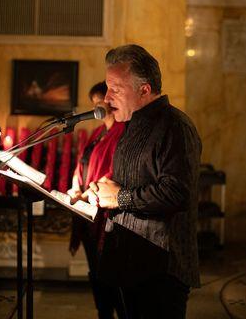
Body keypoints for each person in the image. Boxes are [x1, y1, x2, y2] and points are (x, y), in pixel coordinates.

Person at [89, 45, 202, 319]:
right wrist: (101, 190)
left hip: (161, 269)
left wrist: (120, 197)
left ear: (144, 89)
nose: (106, 97)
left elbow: (177, 193)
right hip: (128, 264)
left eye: (115, 88)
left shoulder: (175, 126)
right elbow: (130, 183)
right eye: (107, 87)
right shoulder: (130, 126)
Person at [68, 81, 125, 319]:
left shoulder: (123, 131)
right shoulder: (97, 132)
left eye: (99, 101)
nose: (96, 107)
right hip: (87, 213)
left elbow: (114, 171)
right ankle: (103, 312)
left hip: (106, 214)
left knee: (110, 275)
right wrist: (74, 186)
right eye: (93, 104)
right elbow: (83, 163)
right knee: (96, 274)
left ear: (110, 101)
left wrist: (91, 191)